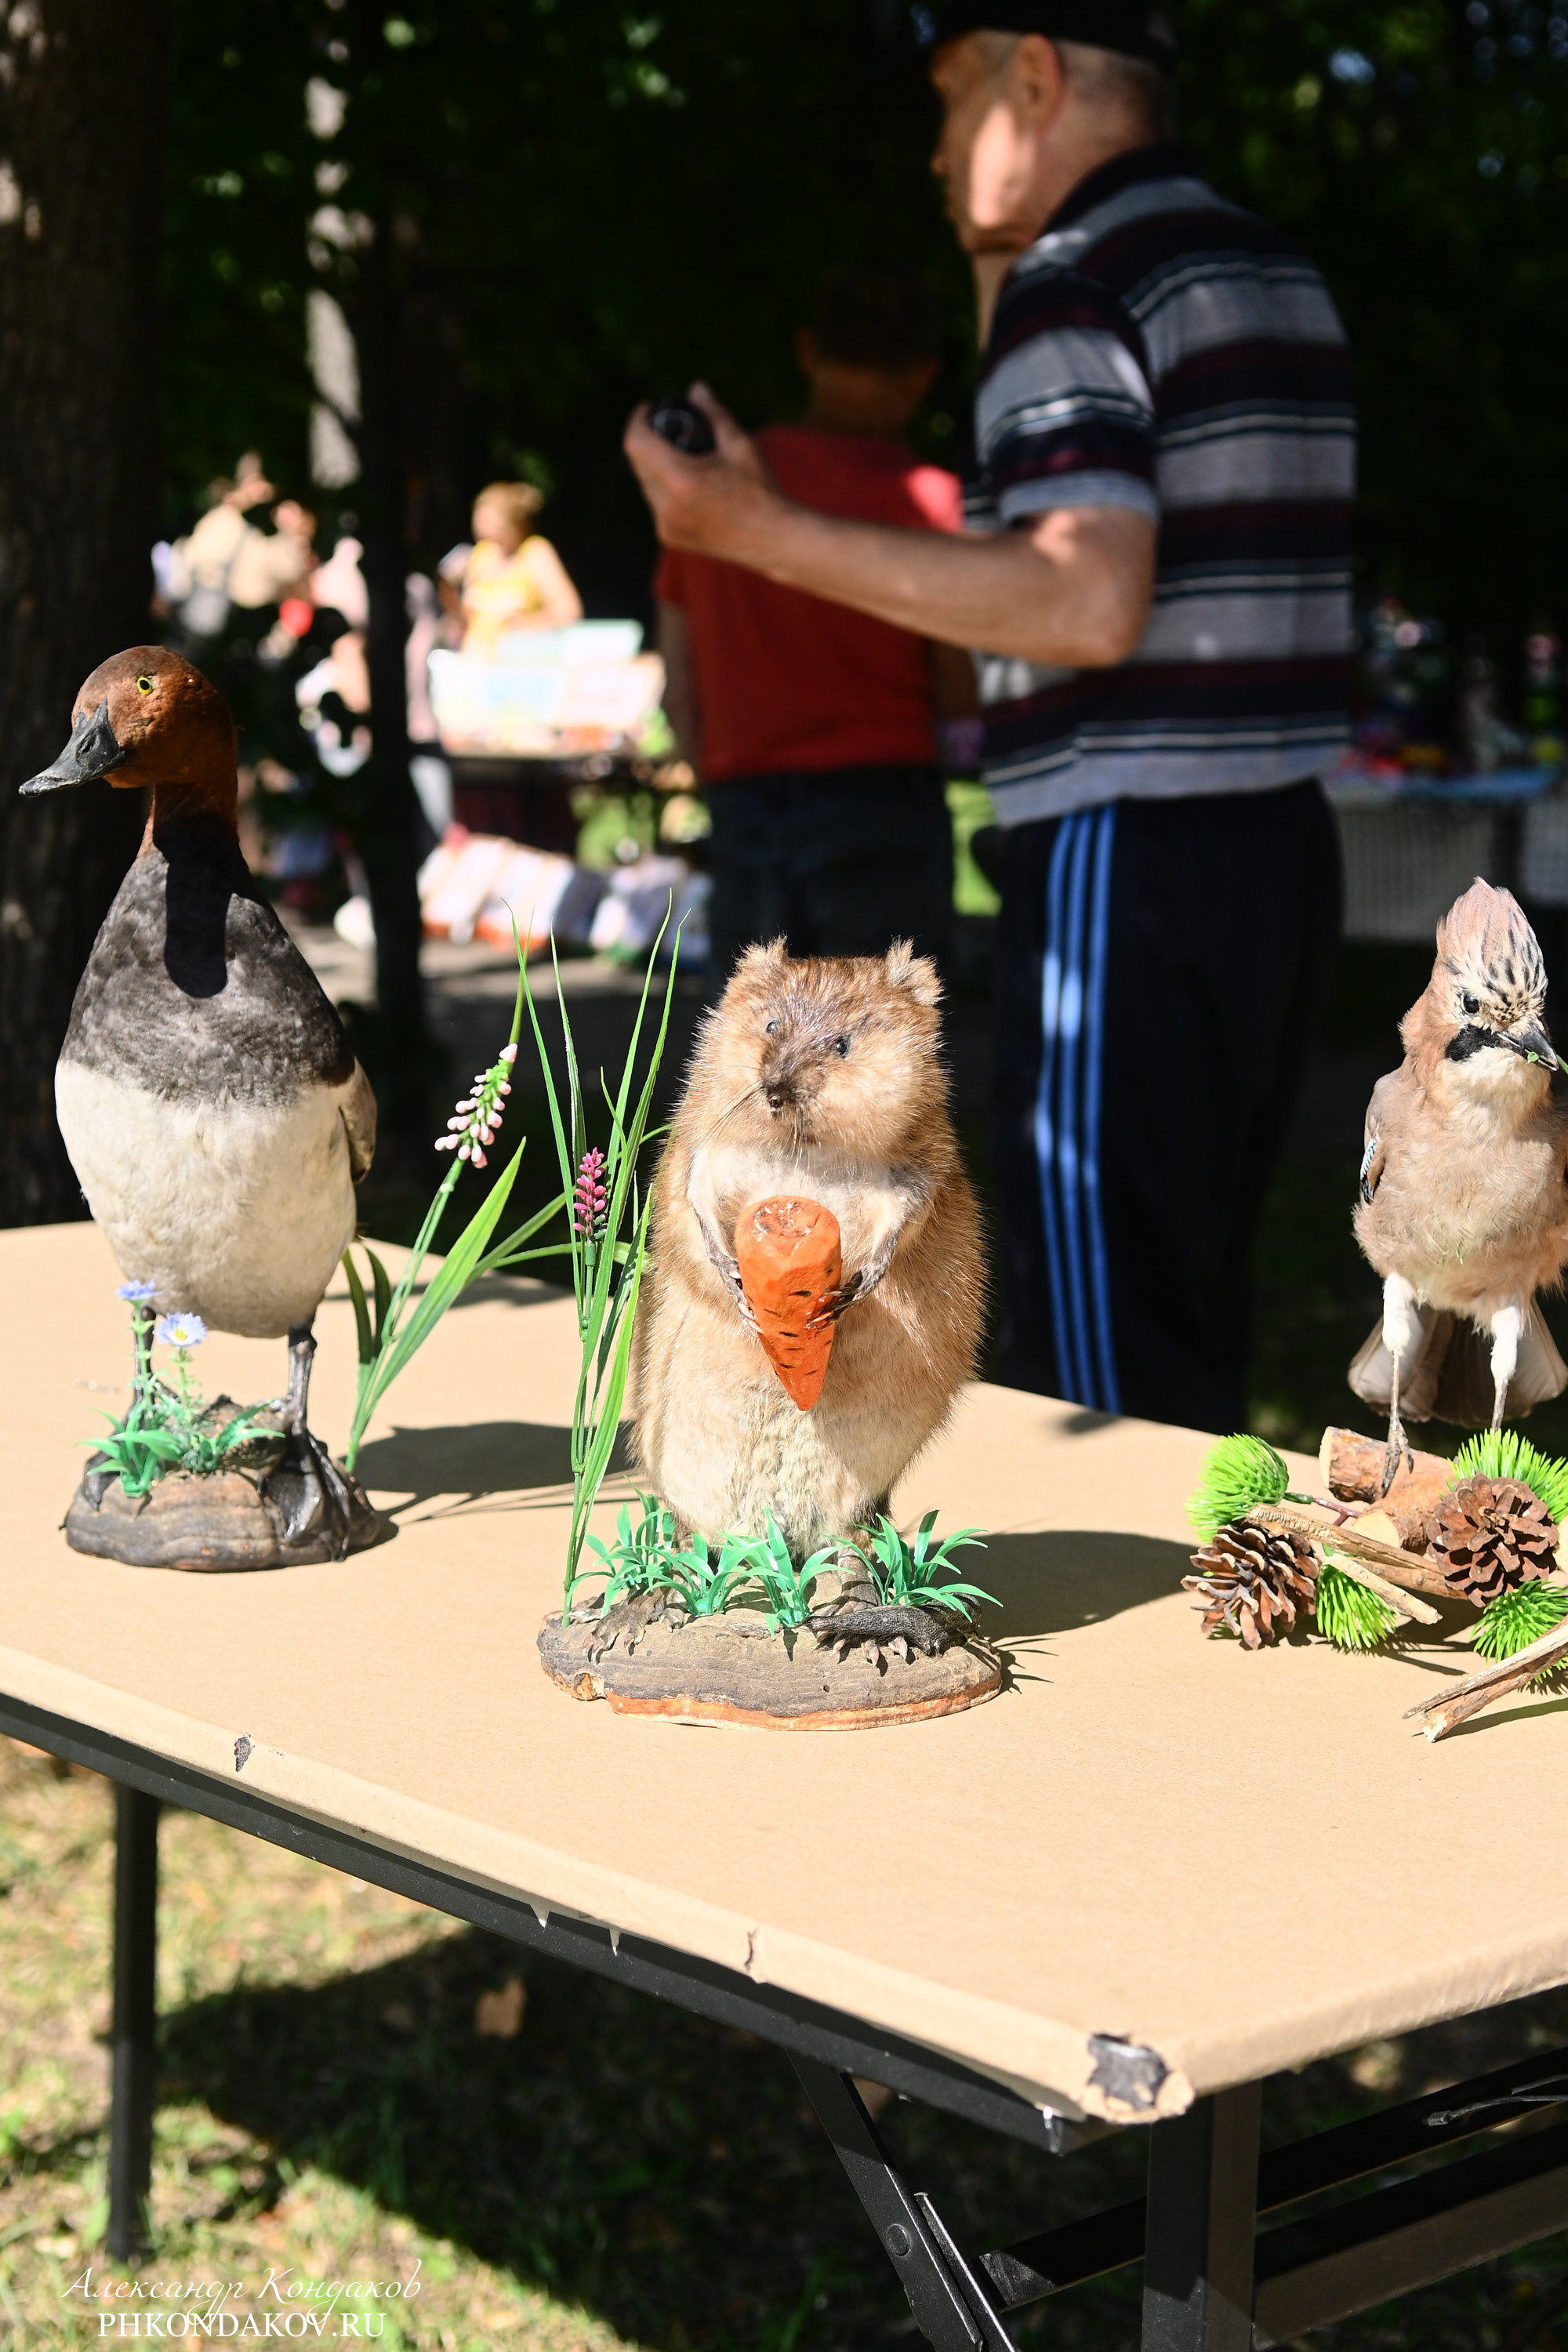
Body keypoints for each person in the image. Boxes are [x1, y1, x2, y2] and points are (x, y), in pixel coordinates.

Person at [624, 4, 1353, 1434]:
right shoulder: (1267, 273)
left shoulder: (1076, 282)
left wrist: (753, 528)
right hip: (1276, 846)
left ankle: (1137, 1584)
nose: (936, 152)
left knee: (1103, 1353)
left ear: (1035, 75)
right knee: (1192, 1300)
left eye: (953, 101)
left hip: (1122, 852)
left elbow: (1084, 598)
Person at [656, 263, 974, 978]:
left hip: (745, 805)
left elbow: (679, 683)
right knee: (880, 1044)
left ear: (807, 350)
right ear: (923, 373)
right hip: (883, 804)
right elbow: (959, 689)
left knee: (753, 1044)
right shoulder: (930, 503)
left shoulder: (717, 492)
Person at [459, 481, 583, 651]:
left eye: (489, 522)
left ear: (512, 524)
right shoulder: (481, 555)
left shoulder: (535, 552)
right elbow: (468, 618)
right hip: (476, 657)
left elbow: (568, 612)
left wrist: (517, 624)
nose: (482, 531)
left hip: (520, 657)